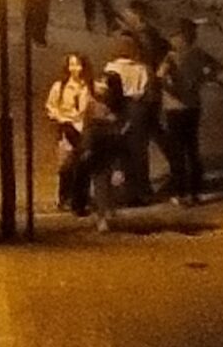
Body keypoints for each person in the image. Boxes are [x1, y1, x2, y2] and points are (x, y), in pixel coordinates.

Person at [157, 18, 220, 207]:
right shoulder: (198, 53)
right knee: (192, 148)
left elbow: (159, 77)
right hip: (193, 106)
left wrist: (171, 89)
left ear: (180, 37)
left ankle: (180, 192)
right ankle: (195, 192)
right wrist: (202, 79)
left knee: (177, 150)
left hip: (174, 107)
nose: (172, 39)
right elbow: (217, 67)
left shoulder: (171, 57)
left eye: (174, 35)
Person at [103, 39, 153, 203]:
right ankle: (141, 190)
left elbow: (107, 91)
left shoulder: (111, 68)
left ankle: (120, 191)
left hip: (118, 108)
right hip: (137, 109)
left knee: (118, 152)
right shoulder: (141, 68)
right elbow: (144, 90)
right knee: (138, 151)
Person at [45, 51, 95, 211]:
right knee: (66, 165)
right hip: (67, 128)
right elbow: (51, 107)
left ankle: (81, 198)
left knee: (84, 163)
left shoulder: (89, 86)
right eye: (72, 65)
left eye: (78, 65)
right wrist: (61, 118)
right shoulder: (59, 87)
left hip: (84, 128)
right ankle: (65, 197)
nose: (75, 69)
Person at [77, 72, 126, 232]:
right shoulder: (92, 104)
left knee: (113, 182)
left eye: (104, 83)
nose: (100, 86)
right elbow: (87, 127)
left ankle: (109, 209)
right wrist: (86, 147)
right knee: (100, 181)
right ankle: (102, 215)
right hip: (99, 146)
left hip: (114, 146)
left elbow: (123, 127)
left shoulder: (119, 105)